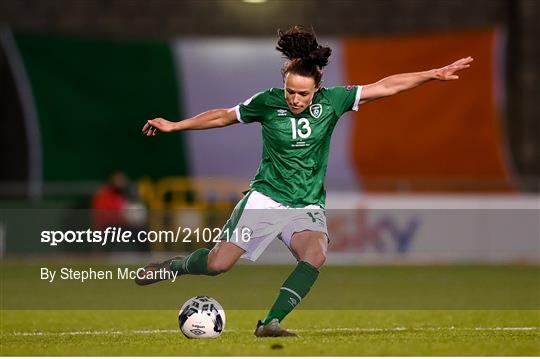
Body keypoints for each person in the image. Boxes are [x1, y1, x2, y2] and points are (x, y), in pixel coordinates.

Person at [136, 25, 473, 337]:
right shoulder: (267, 102)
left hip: (306, 204)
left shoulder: (333, 101)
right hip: (266, 198)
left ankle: (270, 323)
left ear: (317, 87)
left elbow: (385, 86)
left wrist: (432, 75)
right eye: (290, 92)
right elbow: (224, 115)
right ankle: (173, 266)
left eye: (303, 94)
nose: (295, 99)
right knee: (217, 264)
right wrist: (176, 125)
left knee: (316, 254)